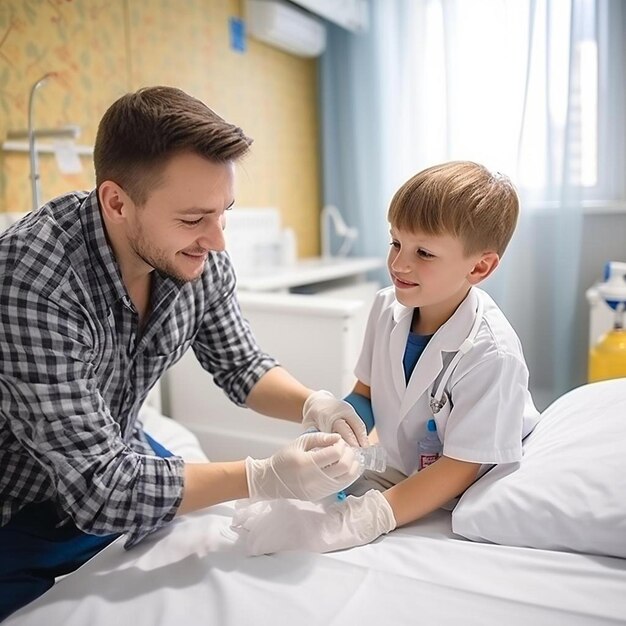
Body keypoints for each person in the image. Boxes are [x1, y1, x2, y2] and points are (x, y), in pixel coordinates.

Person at [0, 85, 368, 620]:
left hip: (115, 457)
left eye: (225, 213)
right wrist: (261, 475)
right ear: (117, 202)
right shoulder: (33, 279)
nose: (217, 241)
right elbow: (101, 486)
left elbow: (240, 365)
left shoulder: (195, 256)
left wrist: (316, 403)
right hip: (19, 503)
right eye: (194, 219)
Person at [232, 161, 540, 555]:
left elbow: (460, 466)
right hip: (406, 469)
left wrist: (369, 517)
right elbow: (367, 392)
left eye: (423, 252)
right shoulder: (385, 308)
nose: (399, 264)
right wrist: (332, 435)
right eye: (396, 243)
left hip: (469, 485)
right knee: (285, 506)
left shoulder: (491, 353)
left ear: (480, 266)